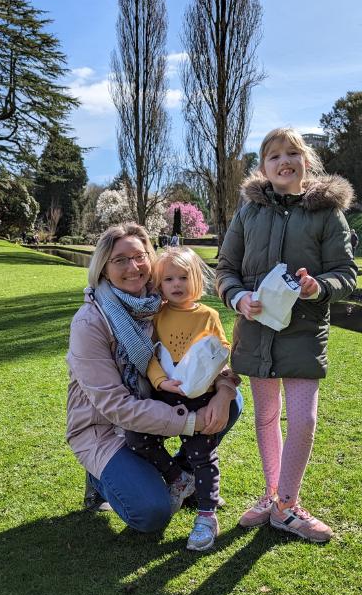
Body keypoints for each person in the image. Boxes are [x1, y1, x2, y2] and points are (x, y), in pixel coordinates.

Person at [216, 127, 357, 543]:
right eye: (274, 155)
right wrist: (238, 298)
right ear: (263, 167)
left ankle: (287, 505)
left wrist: (319, 286)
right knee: (264, 416)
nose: (284, 161)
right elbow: (226, 267)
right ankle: (270, 494)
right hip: (256, 331)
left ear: (306, 162)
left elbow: (346, 273)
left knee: (304, 420)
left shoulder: (327, 214)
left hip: (304, 332)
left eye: (292, 153)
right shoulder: (248, 212)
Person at [66, 223, 240, 534]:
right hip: (107, 429)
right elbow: (115, 406)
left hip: (155, 406)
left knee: (231, 403)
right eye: (120, 260)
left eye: (139, 256)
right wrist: (193, 422)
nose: (132, 267)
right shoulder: (90, 322)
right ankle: (99, 478)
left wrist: (225, 392)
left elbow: (211, 354)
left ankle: (186, 477)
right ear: (104, 268)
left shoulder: (161, 305)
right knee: (152, 514)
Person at [124, 246, 240, 551]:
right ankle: (177, 477)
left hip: (201, 398)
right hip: (165, 397)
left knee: (202, 454)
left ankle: (206, 515)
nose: (177, 284)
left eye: (183, 277)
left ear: (197, 279)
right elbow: (148, 355)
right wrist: (161, 380)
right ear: (159, 285)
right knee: (137, 438)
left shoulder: (209, 315)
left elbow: (221, 350)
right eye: (169, 279)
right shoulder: (157, 315)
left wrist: (218, 377)